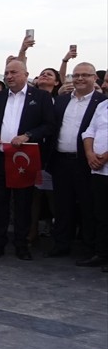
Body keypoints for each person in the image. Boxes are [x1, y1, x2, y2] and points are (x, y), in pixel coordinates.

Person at [0, 59, 55, 260]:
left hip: (24, 158)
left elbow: (49, 125)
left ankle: (21, 244)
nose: (9, 76)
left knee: (23, 203)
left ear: (26, 74)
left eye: (14, 72)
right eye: (6, 73)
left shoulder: (40, 97)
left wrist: (28, 135)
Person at [45, 62, 104, 258]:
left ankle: (89, 247)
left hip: (87, 162)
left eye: (85, 75)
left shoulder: (101, 102)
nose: (79, 78)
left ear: (95, 78)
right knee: (62, 205)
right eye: (76, 75)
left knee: (88, 206)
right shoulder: (61, 101)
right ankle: (61, 244)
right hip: (61, 160)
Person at [79, 98, 108, 270]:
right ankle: (101, 253)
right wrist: (90, 153)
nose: (104, 84)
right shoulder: (102, 105)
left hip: (103, 162)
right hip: (98, 169)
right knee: (101, 214)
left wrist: (105, 156)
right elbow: (89, 132)